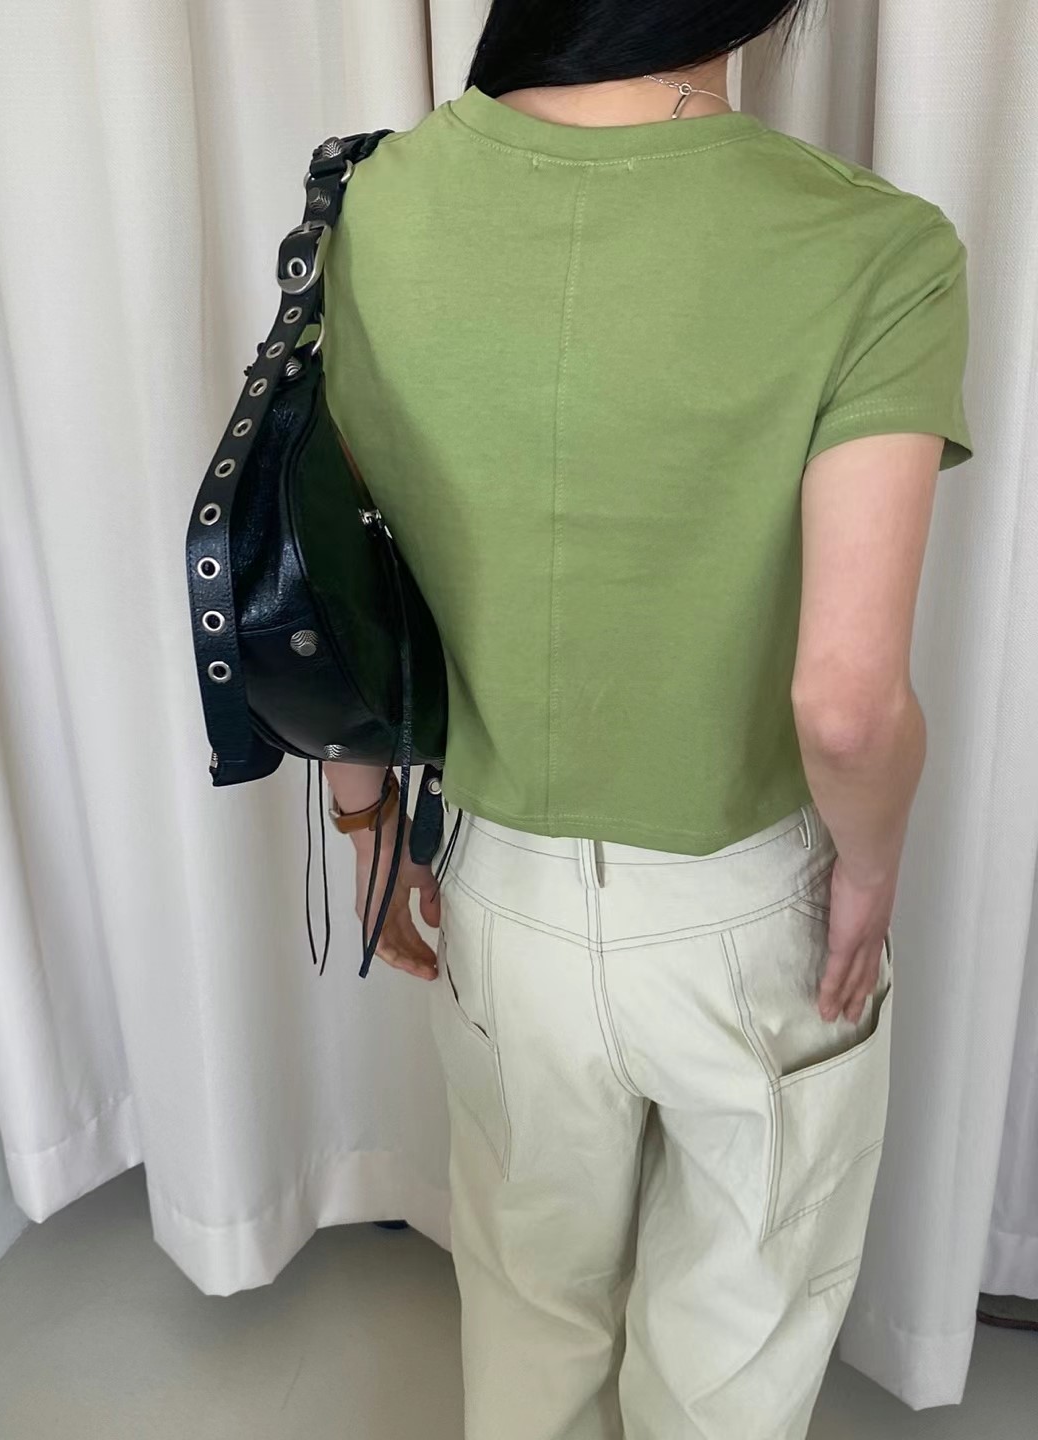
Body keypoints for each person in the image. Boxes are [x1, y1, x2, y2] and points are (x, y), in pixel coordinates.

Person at [319, 2, 972, 1436]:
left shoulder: (373, 204)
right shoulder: (873, 246)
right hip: (750, 908)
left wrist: (368, 825)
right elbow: (846, 705)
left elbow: (346, 590)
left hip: (501, 893)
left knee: (527, 1313)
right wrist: (869, 875)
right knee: (734, 1350)